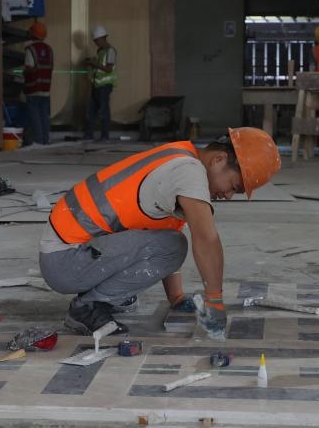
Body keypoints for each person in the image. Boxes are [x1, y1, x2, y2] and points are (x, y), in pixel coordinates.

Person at [38, 127, 282, 337]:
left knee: (172, 242)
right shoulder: (189, 171)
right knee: (176, 245)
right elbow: (206, 238)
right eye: (233, 186)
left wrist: (176, 297)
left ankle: (103, 296)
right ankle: (86, 307)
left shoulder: (180, 157)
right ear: (218, 160)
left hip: (72, 254)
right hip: (65, 260)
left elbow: (164, 231)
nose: (227, 196)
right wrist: (214, 300)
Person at [22, 20, 53, 146]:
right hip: (46, 89)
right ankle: (45, 140)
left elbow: (30, 67)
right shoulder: (49, 49)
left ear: (32, 34)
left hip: (33, 88)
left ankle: (38, 142)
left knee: (35, 118)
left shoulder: (31, 49)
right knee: (44, 117)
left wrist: (23, 72)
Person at [84, 25, 116, 141]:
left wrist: (94, 64)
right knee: (90, 112)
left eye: (97, 41)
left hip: (105, 86)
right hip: (96, 85)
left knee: (103, 111)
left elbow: (108, 69)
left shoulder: (111, 51)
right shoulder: (100, 51)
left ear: (103, 38)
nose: (96, 43)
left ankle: (105, 137)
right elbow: (99, 67)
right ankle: (89, 135)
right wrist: (92, 63)